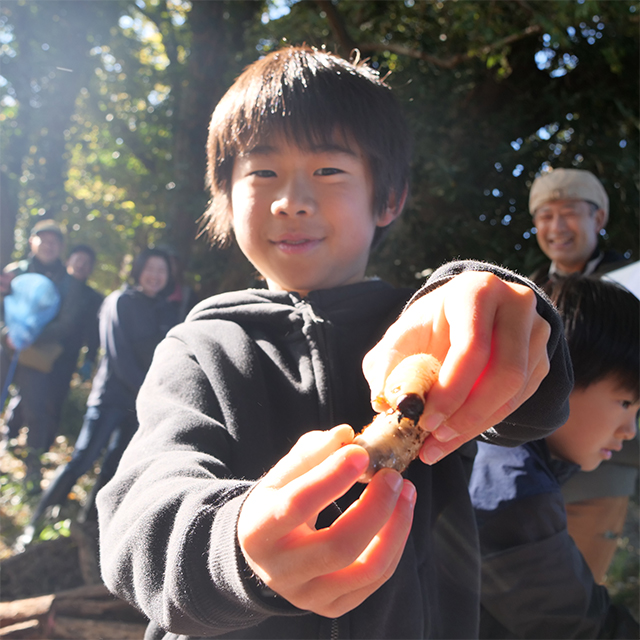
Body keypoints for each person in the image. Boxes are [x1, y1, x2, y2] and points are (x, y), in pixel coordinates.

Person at [96, 46, 573, 639]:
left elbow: (532, 406)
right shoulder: (199, 347)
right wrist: (236, 548)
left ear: (389, 198)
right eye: (262, 171)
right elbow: (140, 515)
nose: (291, 199)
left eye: (328, 170)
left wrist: (496, 307)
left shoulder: (423, 323)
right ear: (222, 195)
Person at [469, 276, 639, 638]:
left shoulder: (495, 452)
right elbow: (585, 629)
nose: (630, 430)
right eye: (625, 403)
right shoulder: (520, 498)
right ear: (558, 372)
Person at [21, 248, 177, 542]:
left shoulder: (166, 311)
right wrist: (151, 392)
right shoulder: (120, 301)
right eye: (150, 269)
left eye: (162, 271)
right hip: (111, 399)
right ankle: (36, 522)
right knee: (83, 458)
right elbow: (119, 357)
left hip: (140, 406)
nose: (155, 276)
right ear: (138, 270)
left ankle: (88, 524)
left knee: (114, 467)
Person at [529, 167, 639, 583]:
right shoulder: (528, 293)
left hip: (602, 474)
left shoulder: (631, 283)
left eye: (570, 212)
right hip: (532, 463)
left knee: (575, 588)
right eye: (544, 215)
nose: (556, 226)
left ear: (599, 217)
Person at [0, 220, 86, 488]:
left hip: (38, 357)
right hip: (4, 348)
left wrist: (32, 335)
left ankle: (32, 470)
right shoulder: (13, 272)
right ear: (31, 242)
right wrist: (7, 334)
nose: (48, 245)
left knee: (36, 411)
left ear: (61, 247)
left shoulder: (69, 283)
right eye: (43, 239)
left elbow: (67, 323)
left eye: (54, 241)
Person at [47, 244, 104, 439]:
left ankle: (43, 443)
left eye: (87, 263)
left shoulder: (94, 298)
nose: (82, 265)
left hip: (66, 357)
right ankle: (10, 436)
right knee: (28, 395)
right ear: (68, 261)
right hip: (40, 349)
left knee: (56, 400)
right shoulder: (51, 283)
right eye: (78, 260)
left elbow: (94, 334)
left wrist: (89, 359)